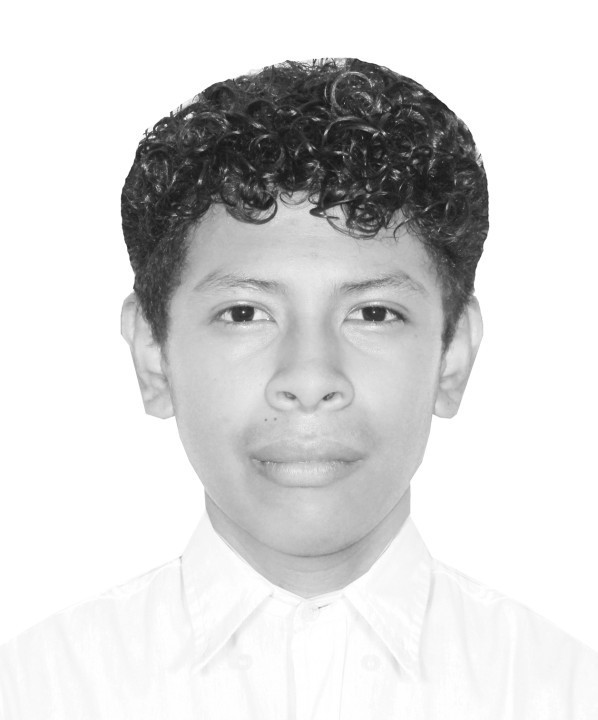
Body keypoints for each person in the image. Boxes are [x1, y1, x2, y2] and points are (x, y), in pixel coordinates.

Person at [0, 57, 596, 719]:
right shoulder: (34, 692)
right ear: (152, 355)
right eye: (244, 313)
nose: (310, 380)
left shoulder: (566, 694)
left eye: (373, 313)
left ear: (452, 354)